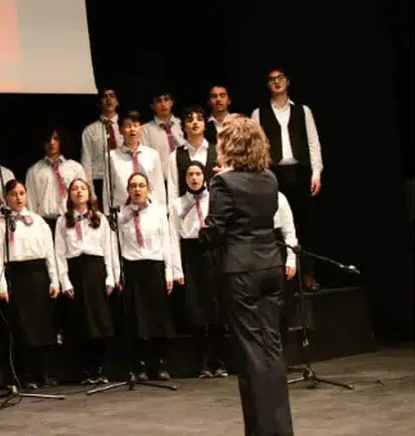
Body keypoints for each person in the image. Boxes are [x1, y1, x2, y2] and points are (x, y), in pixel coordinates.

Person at [204, 115, 294, 436]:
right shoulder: (269, 178)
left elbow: (215, 231)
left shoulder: (223, 183)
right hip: (270, 266)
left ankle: (261, 431)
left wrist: (202, 234)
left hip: (241, 271)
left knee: (251, 354)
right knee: (272, 348)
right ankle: (280, 429)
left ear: (229, 145)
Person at [252, 68, 323, 291]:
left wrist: (316, 172)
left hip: (300, 172)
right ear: (267, 85)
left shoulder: (302, 110)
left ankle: (308, 273)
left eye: (280, 78)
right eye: (272, 80)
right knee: (277, 223)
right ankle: (281, 272)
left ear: (287, 81)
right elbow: (257, 147)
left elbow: (313, 143)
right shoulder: (259, 113)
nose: (276, 82)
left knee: (307, 223)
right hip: (274, 174)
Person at [0, 180, 59, 389]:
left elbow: (49, 252)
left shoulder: (37, 221)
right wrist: (1, 285)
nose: (18, 198)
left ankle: (45, 372)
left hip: (38, 274)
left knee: (43, 326)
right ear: (6, 198)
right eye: (13, 194)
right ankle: (26, 375)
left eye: (21, 193)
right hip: (16, 275)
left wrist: (54, 279)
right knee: (22, 327)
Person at [116, 173, 180, 381]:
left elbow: (166, 242)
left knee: (158, 317)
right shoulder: (121, 215)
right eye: (133, 186)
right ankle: (140, 364)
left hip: (155, 265)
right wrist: (118, 273)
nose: (137, 189)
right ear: (128, 190)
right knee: (137, 319)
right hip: (132, 267)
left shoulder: (158, 212)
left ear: (148, 189)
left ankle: (160, 363)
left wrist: (169, 271)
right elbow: (117, 245)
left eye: (141, 185)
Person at [53, 178, 115, 385]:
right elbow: (59, 253)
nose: (79, 192)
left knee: (99, 320)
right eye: (74, 189)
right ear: (69, 194)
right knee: (80, 321)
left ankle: (100, 368)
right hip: (75, 271)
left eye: (83, 188)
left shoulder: (100, 218)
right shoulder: (63, 221)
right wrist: (64, 280)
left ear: (89, 194)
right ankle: (85, 370)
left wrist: (111, 276)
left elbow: (108, 248)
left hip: (96, 270)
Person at [171, 162, 226, 378]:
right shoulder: (177, 204)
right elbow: (174, 236)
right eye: (190, 174)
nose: (194, 178)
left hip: (212, 251)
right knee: (197, 308)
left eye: (198, 174)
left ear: (204, 176)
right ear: (185, 178)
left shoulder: (214, 199)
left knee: (216, 306)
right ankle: (203, 362)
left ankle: (219, 360)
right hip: (191, 253)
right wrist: (177, 268)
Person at [24, 126, 84, 230]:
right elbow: (30, 203)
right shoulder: (33, 171)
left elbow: (83, 197)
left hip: (71, 220)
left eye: (56, 139)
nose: (52, 142)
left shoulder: (75, 168)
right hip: (44, 224)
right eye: (48, 139)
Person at [107, 112, 168, 209]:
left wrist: (162, 210)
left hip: (149, 209)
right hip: (122, 210)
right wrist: (108, 213)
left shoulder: (152, 155)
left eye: (135, 125)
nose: (132, 129)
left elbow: (159, 186)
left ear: (140, 129)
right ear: (120, 130)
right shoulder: (111, 156)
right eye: (128, 126)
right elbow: (107, 189)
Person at [79, 87, 122, 210]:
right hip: (100, 181)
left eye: (112, 96)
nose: (108, 99)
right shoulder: (90, 131)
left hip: (123, 178)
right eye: (104, 97)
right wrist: (91, 193)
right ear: (99, 103)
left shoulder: (126, 127)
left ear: (117, 101)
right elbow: (86, 163)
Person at [167, 106, 218, 197]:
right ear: (184, 127)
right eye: (190, 120)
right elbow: (173, 189)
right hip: (186, 205)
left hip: (213, 204)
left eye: (199, 119)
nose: (195, 122)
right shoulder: (175, 155)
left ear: (205, 125)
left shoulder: (218, 152)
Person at [142, 91, 184, 173]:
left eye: (166, 99)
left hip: (186, 174)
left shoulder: (182, 124)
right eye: (158, 101)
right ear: (152, 106)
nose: (163, 104)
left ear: (171, 103)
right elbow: (146, 159)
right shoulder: (145, 130)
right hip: (161, 176)